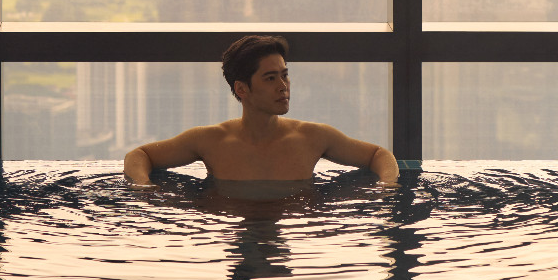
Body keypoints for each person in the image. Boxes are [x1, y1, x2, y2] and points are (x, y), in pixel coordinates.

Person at [123, 35, 399, 186]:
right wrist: (143, 187)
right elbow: (139, 155)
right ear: (242, 89)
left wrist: (388, 186)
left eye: (285, 75)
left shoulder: (313, 137)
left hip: (294, 233)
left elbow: (379, 155)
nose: (283, 86)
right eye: (270, 78)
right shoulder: (211, 140)